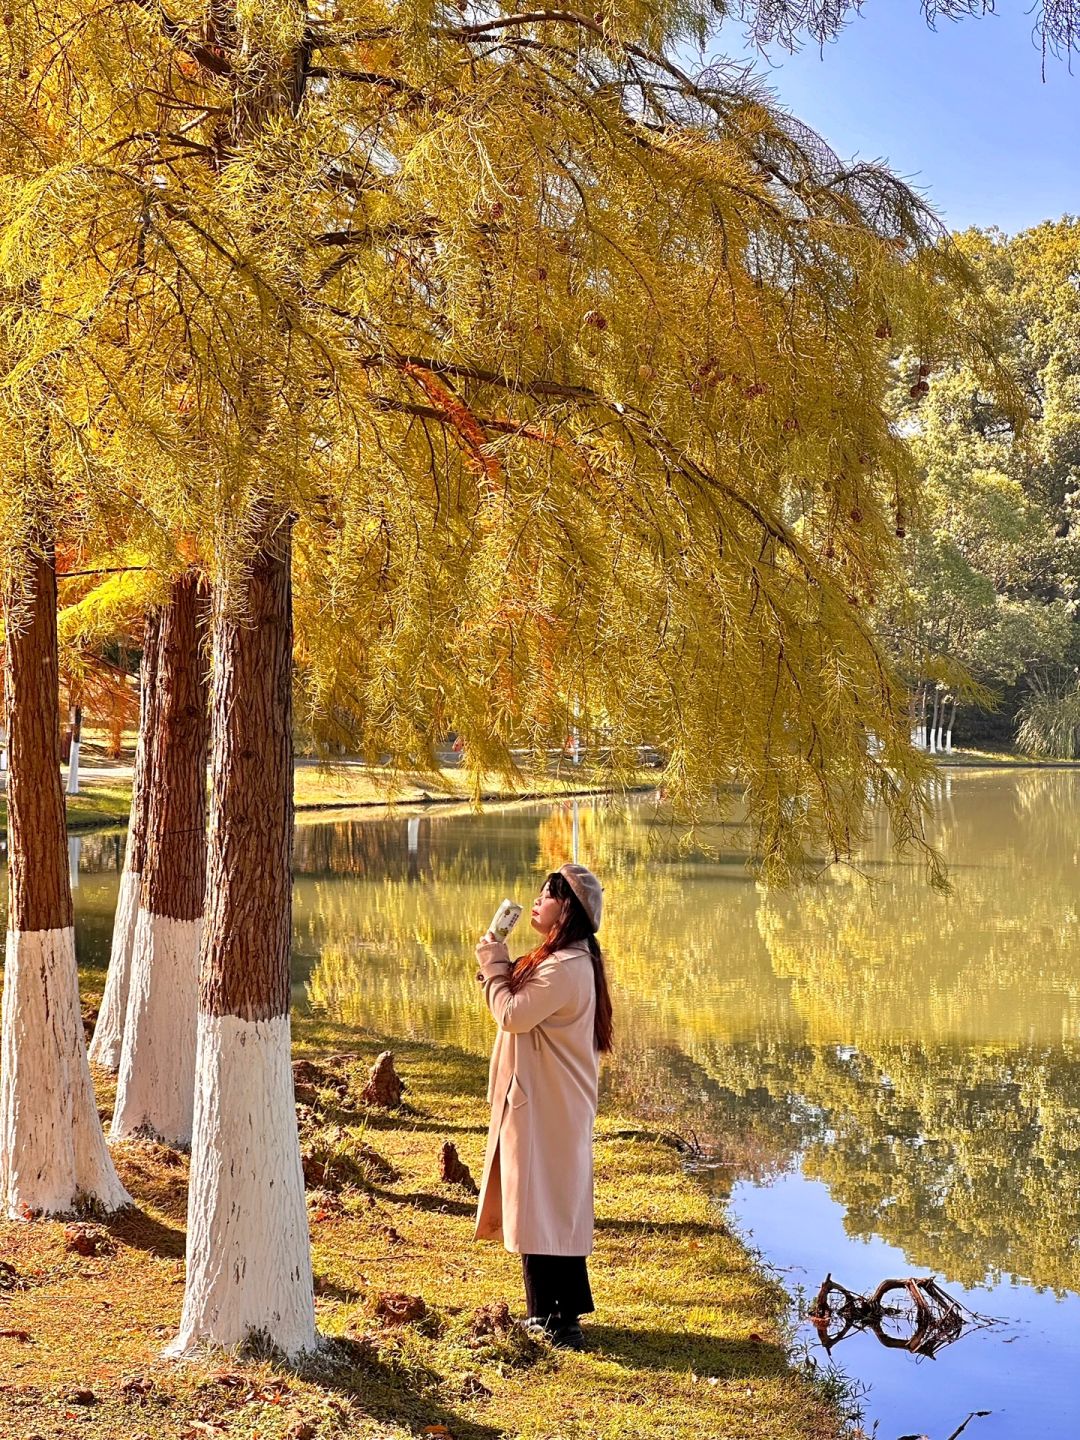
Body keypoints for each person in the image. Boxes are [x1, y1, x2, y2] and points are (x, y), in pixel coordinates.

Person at [473, 863, 614, 1350]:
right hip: (552, 1099)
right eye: (537, 892)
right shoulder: (567, 961)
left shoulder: (564, 967)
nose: (536, 901)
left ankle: (552, 1319)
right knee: (551, 1203)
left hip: (546, 1102)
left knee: (539, 1205)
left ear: (568, 910)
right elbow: (521, 1004)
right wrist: (501, 971)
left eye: (548, 895)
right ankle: (562, 1314)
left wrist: (495, 965)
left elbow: (513, 1015)